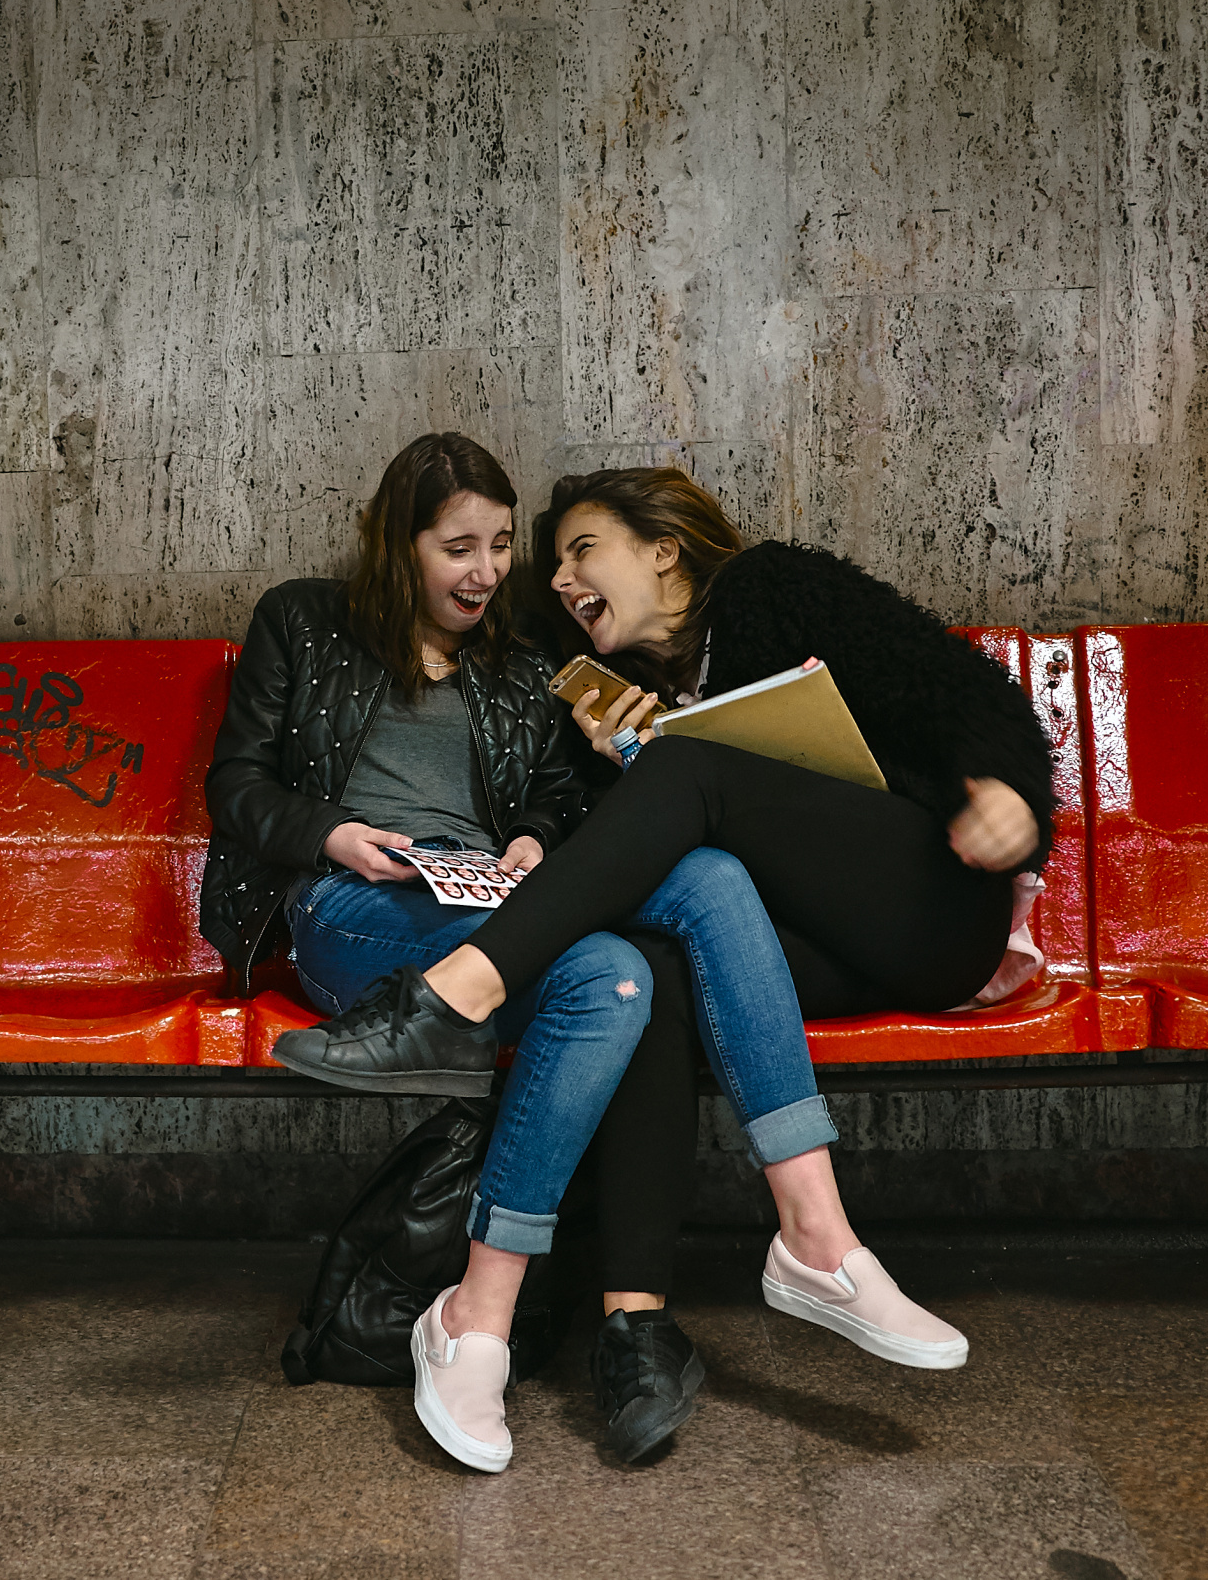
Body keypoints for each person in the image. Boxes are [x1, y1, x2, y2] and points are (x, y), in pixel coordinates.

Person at [278, 463, 1055, 1469]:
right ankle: (639, 1323)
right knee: (648, 973)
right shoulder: (620, 697)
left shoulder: (773, 590)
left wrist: (1009, 791)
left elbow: (964, 691)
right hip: (799, 948)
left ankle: (454, 992)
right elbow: (642, 866)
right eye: (553, 566)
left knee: (688, 773)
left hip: (930, 902)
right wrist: (615, 763)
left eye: (582, 551)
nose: (562, 579)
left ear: (663, 550)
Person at [202, 434, 797, 1469]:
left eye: (501, 545)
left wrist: (533, 838)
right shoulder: (300, 620)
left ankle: (474, 1318)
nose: (485, 572)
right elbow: (237, 783)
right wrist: (335, 836)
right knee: (607, 976)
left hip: (490, 905)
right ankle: (490, 1317)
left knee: (617, 977)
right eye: (457, 548)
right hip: (352, 903)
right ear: (399, 545)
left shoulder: (519, 659)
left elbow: (556, 793)